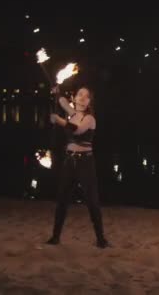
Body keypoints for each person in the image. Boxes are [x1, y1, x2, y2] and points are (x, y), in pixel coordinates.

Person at [46, 86, 109, 248]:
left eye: (86, 96)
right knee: (62, 200)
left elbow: (78, 131)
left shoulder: (89, 119)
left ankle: (101, 239)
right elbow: (63, 102)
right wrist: (57, 92)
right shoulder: (72, 114)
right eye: (79, 94)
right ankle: (55, 237)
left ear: (89, 101)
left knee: (92, 201)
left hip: (85, 163)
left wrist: (59, 120)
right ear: (74, 98)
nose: (81, 97)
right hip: (69, 162)